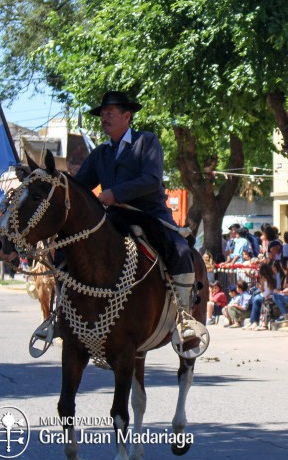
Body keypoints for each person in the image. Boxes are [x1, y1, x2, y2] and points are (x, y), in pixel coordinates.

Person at [75, 91, 198, 340]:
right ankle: (61, 314)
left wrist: (114, 193)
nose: (104, 117)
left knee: (182, 251)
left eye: (110, 113)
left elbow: (152, 180)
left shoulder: (147, 141)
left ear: (127, 116)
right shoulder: (100, 153)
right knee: (74, 250)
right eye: (102, 114)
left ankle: (185, 318)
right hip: (115, 219)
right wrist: (43, 179)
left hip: (150, 215)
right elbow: (78, 186)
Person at [246, 263, 276, 331]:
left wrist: (260, 285)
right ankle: (252, 321)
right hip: (269, 294)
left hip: (265, 295)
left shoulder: (263, 279)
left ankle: (254, 321)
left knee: (256, 299)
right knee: (256, 298)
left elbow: (262, 291)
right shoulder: (272, 278)